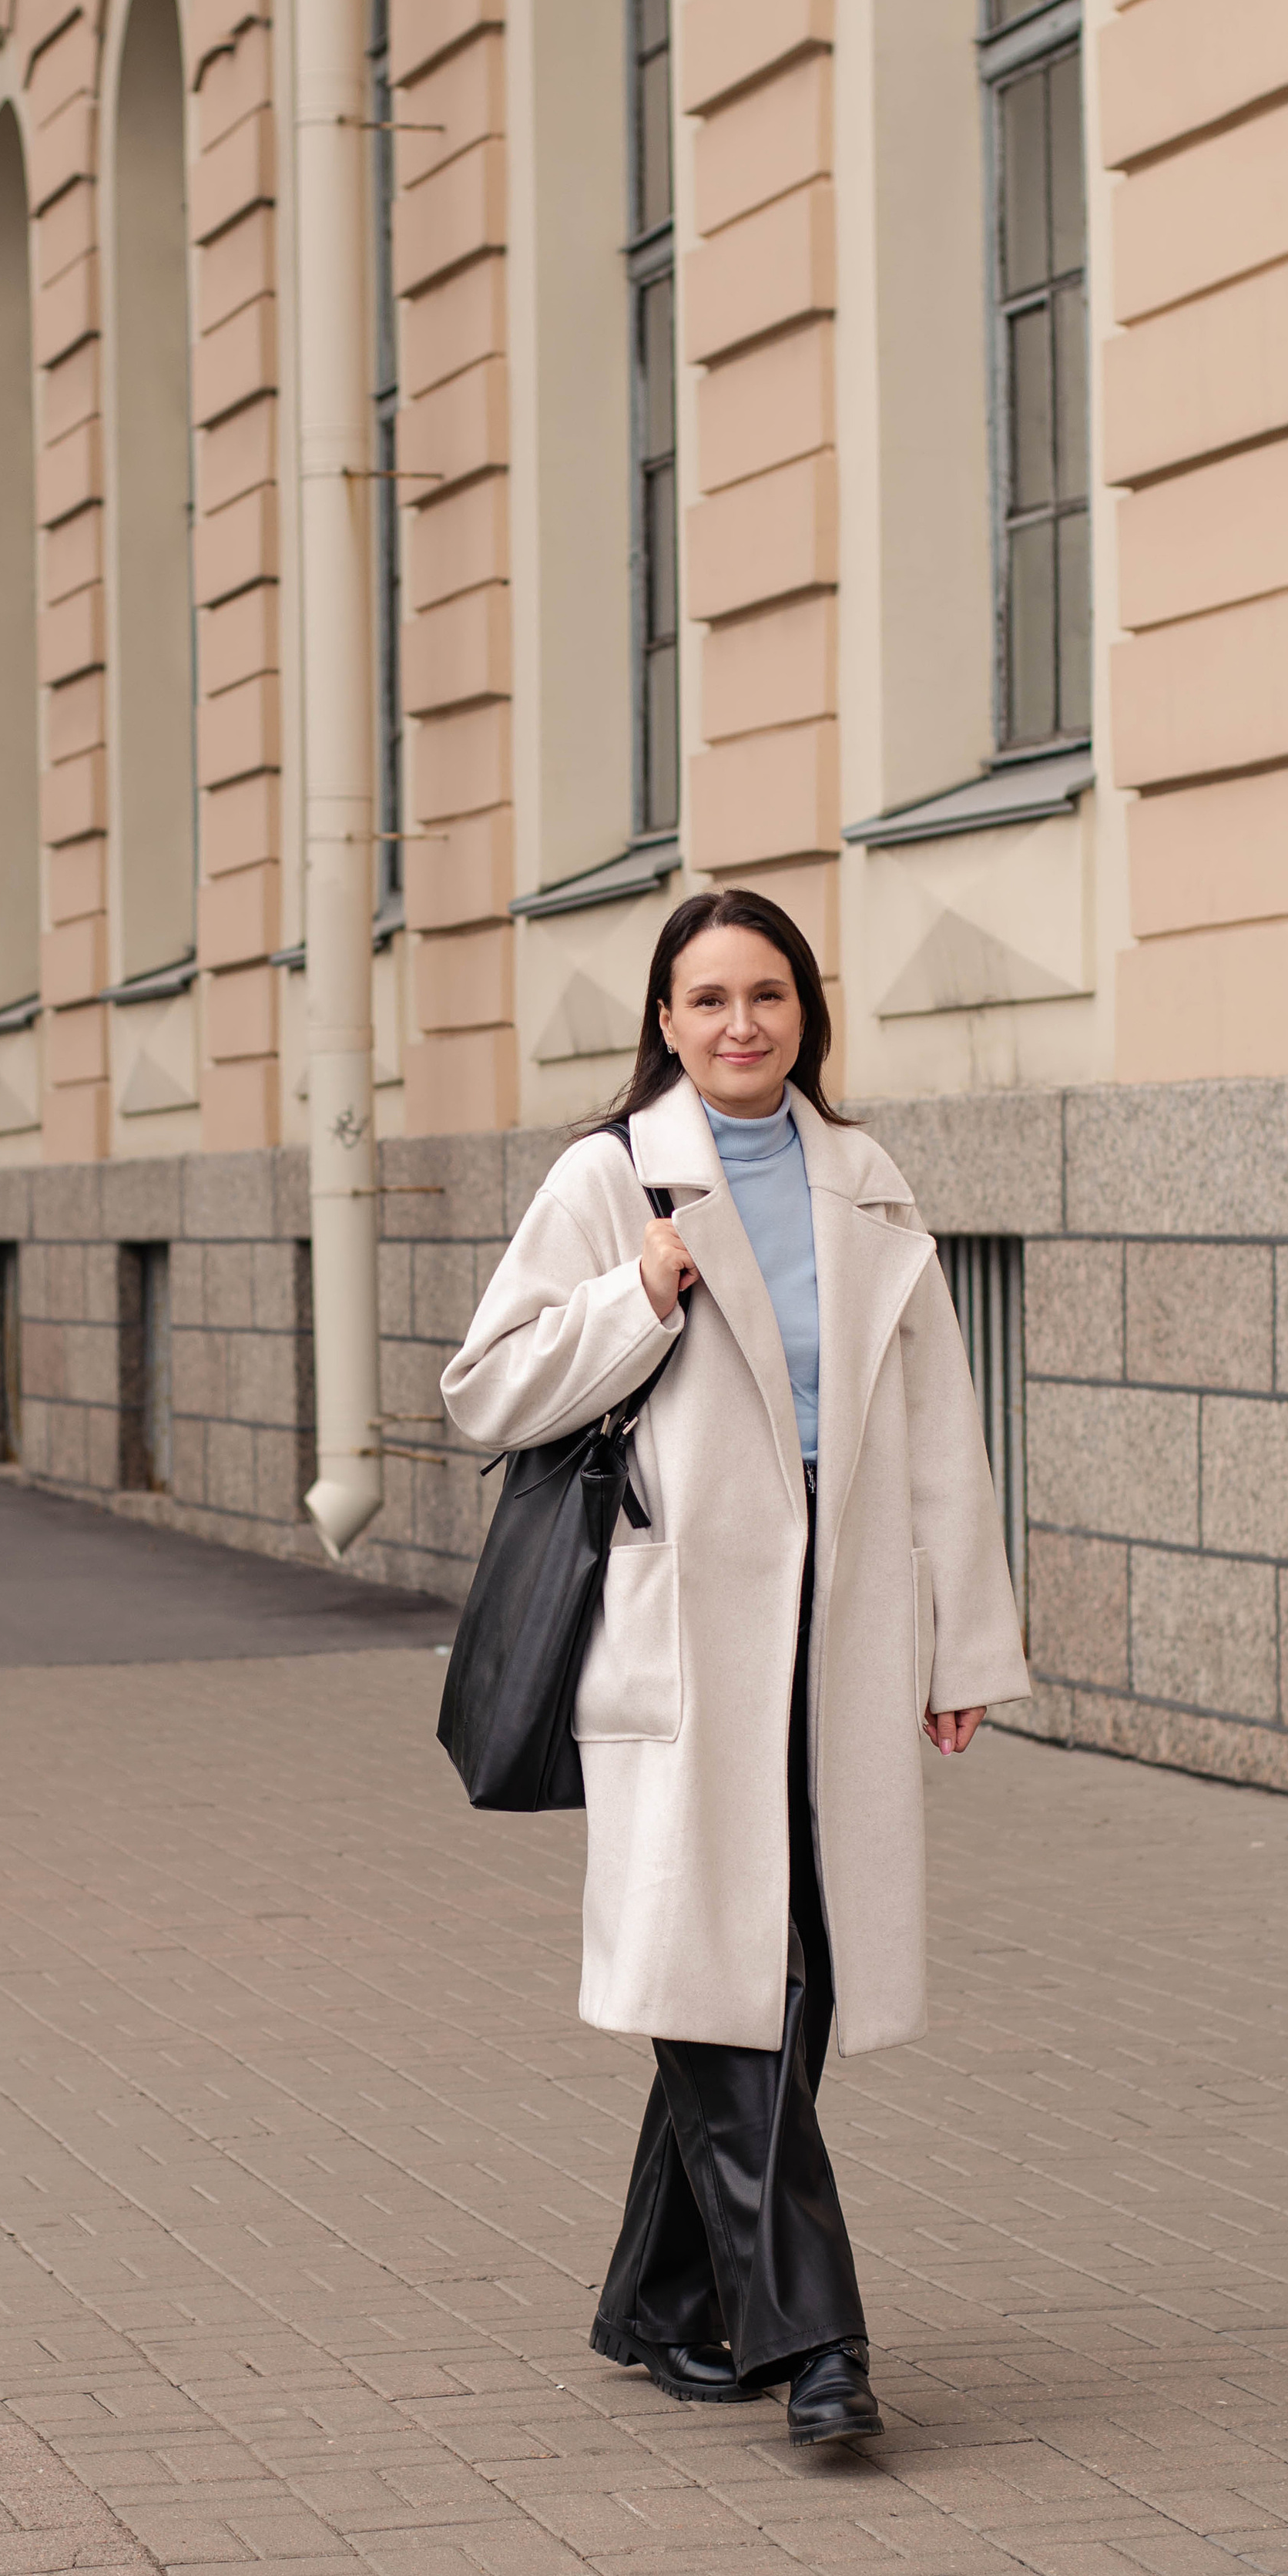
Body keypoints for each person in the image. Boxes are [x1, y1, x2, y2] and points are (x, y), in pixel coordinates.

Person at [439, 887, 1029, 2447]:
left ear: (804, 1013)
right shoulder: (608, 1175)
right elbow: (486, 1388)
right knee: (722, 1964)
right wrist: (632, 1295)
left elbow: (937, 1436)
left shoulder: (866, 1180)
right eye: (705, 999)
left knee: (798, 1967)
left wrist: (958, 1636)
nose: (738, 1025)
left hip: (836, 1626)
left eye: (765, 995)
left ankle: (650, 2298)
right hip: (684, 1631)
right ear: (662, 1018)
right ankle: (813, 2338)